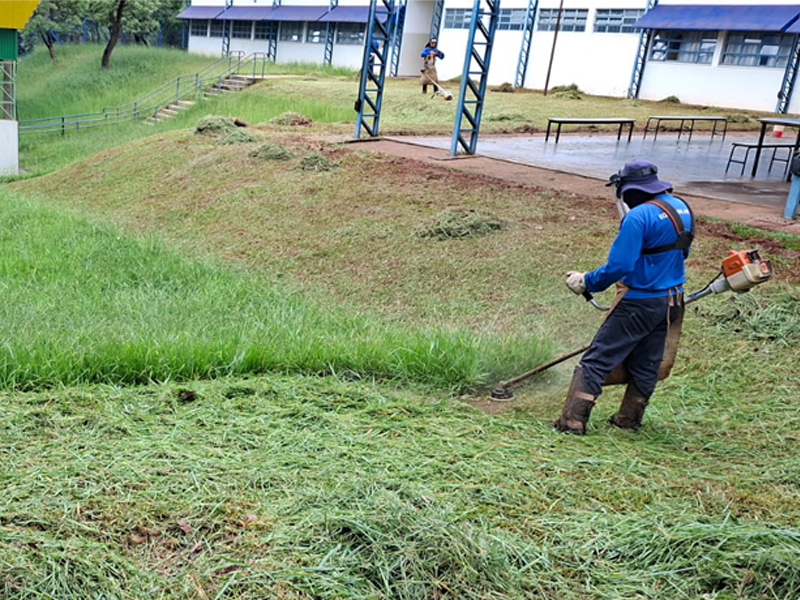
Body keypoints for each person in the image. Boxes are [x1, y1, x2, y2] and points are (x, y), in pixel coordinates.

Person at [553, 160, 694, 435]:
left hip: (639, 303)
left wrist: (586, 281)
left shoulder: (638, 217)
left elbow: (620, 266)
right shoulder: (682, 208)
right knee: (647, 362)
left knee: (595, 360)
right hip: (672, 301)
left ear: (630, 191)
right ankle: (629, 419)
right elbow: (682, 253)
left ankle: (571, 423)